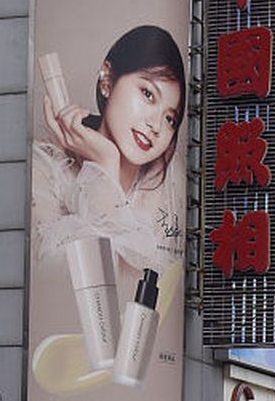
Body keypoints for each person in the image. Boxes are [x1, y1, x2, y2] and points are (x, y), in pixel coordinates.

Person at [33, 23, 188, 275]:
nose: (156, 126)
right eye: (148, 94)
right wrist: (105, 164)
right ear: (107, 79)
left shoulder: (167, 177)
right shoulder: (44, 168)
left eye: (170, 118)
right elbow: (63, 279)